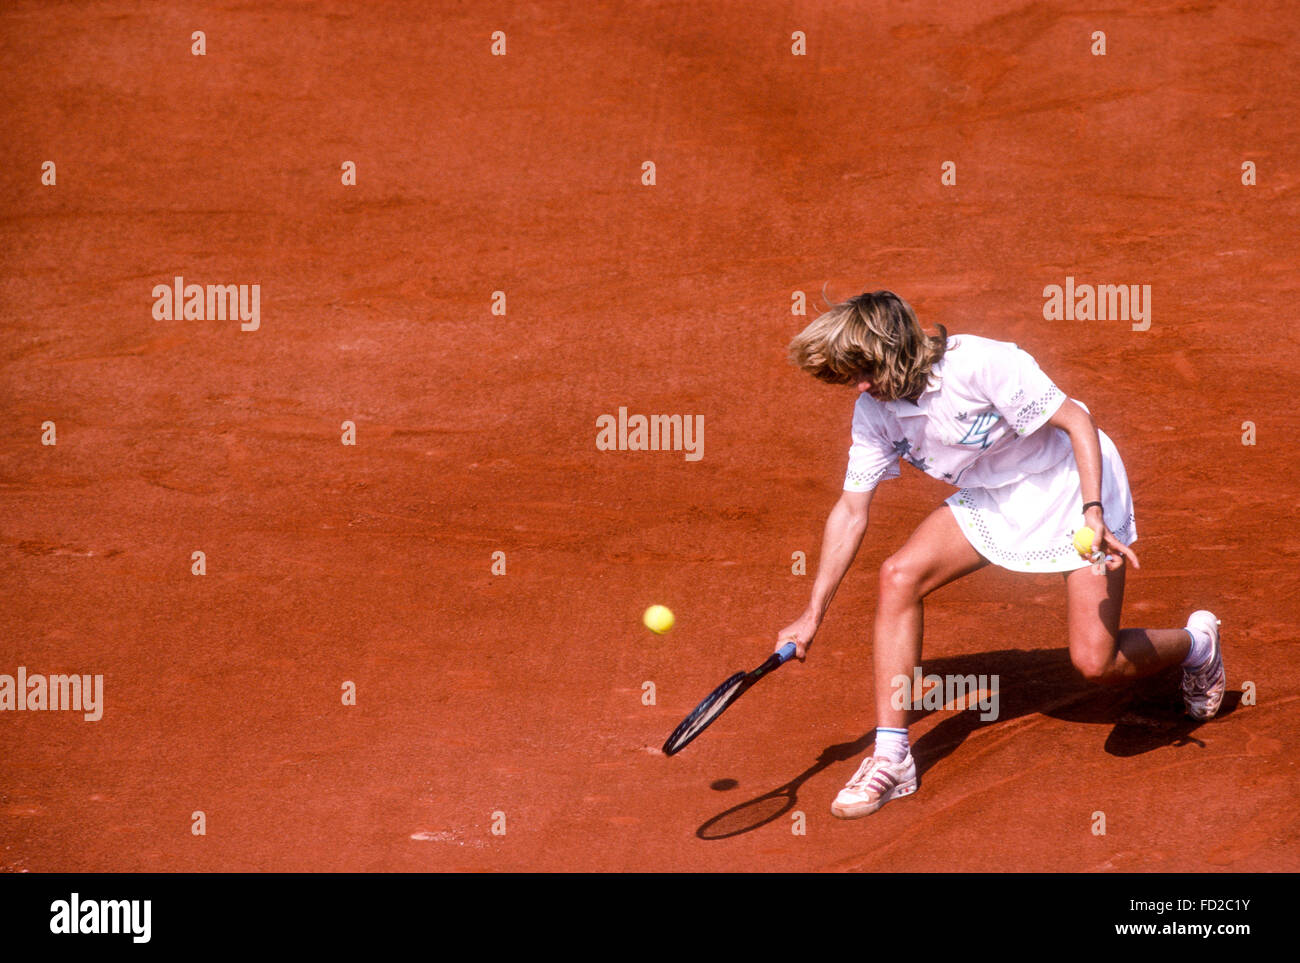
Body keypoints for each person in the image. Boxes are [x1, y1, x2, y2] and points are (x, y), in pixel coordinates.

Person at [776, 290, 1224, 819]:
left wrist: (1093, 510)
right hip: (996, 494)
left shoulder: (983, 364)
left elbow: (1078, 422)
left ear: (892, 348)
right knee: (899, 575)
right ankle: (891, 756)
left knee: (1094, 662)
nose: (861, 386)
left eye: (865, 371)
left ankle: (1199, 645)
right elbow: (851, 512)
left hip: (1072, 486)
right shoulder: (874, 410)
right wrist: (812, 613)